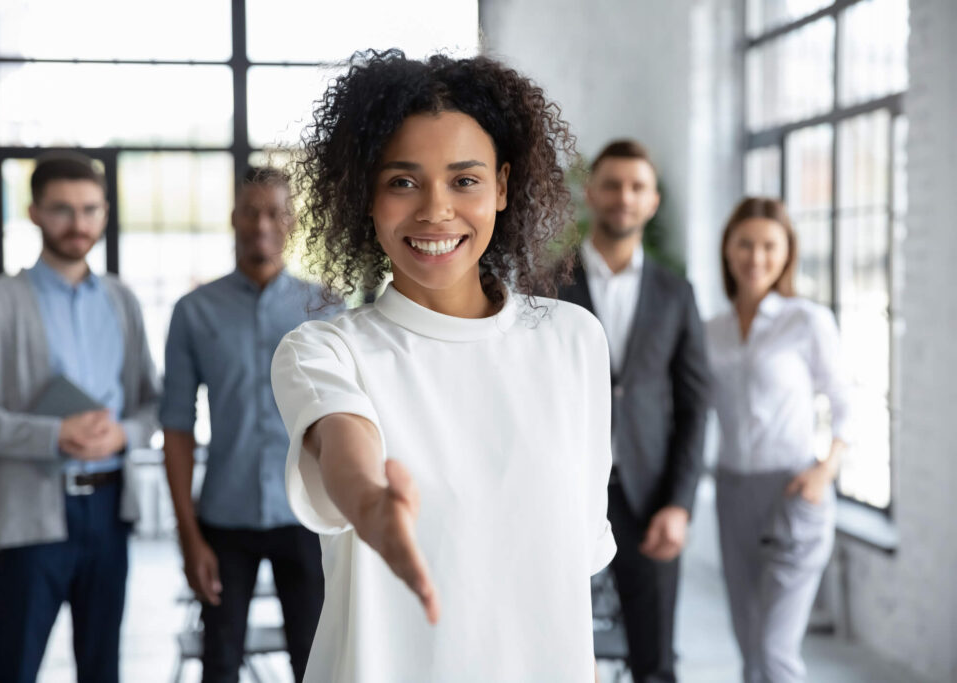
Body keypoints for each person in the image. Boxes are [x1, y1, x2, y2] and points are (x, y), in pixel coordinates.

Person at [268, 49, 615, 682]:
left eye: (464, 180)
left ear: (504, 186)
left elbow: (570, 576)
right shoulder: (326, 351)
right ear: (365, 196)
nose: (434, 210)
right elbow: (345, 445)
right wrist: (369, 502)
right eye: (402, 181)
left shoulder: (574, 341)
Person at [0, 153, 159, 683]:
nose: (78, 224)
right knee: (16, 668)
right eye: (62, 209)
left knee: (102, 670)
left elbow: (151, 407)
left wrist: (122, 434)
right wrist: (54, 434)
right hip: (30, 515)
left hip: (109, 511)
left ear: (105, 213)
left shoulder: (122, 301)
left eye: (89, 209)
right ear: (35, 211)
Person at [160, 166, 336, 683]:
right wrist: (189, 538)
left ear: (292, 222)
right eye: (251, 211)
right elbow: (176, 425)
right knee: (219, 663)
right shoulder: (194, 312)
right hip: (224, 519)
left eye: (275, 212)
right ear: (234, 219)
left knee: (317, 659)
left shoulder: (324, 309)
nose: (262, 223)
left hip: (306, 516)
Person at [557, 139, 710, 682]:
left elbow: (695, 406)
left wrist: (681, 504)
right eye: (613, 184)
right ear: (592, 194)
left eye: (637, 186)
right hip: (566, 493)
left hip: (651, 498)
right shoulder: (548, 286)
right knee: (558, 649)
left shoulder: (677, 294)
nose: (624, 196)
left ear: (653, 201)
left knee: (655, 658)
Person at [706, 197, 853, 683]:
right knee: (749, 646)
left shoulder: (806, 321)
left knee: (774, 650)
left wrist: (824, 470)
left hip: (794, 490)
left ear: (787, 252)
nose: (756, 256)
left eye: (770, 245)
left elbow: (846, 403)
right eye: (745, 243)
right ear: (727, 250)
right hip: (732, 493)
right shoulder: (712, 331)